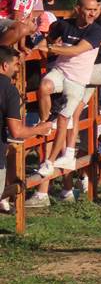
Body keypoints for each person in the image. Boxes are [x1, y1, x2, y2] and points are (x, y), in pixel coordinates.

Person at [27, 0, 101, 195]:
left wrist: (52, 49)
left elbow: (76, 50)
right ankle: (45, 121)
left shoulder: (96, 30)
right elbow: (45, 42)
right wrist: (42, 46)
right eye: (88, 10)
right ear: (77, 9)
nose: (92, 14)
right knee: (44, 86)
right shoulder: (63, 25)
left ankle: (50, 161)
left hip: (77, 81)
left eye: (95, 10)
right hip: (60, 72)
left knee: (64, 120)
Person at [0, 46, 55, 214]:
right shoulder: (9, 90)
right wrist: (40, 128)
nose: (18, 70)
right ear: (4, 66)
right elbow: (16, 132)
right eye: (16, 65)